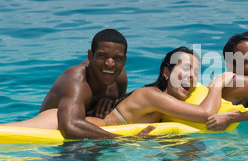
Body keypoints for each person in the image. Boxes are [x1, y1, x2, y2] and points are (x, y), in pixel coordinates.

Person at [3, 47, 234, 134]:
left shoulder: (159, 98)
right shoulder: (152, 96)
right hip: (59, 121)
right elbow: (206, 115)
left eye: (196, 71)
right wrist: (217, 84)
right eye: (185, 68)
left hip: (86, 126)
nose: (192, 76)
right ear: (166, 73)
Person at [1, 29, 140, 139]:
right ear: (90, 56)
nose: (110, 64)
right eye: (102, 56)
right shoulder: (76, 82)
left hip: (89, 136)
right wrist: (122, 139)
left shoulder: (120, 78)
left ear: (125, 60)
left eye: (118, 58)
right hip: (55, 139)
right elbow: (70, 127)